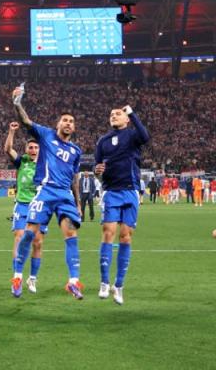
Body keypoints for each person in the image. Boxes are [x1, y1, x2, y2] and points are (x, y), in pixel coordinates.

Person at [12, 85, 85, 300]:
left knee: (71, 234)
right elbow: (26, 122)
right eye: (65, 120)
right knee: (29, 234)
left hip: (65, 195)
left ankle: (73, 282)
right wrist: (17, 103)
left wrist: (78, 203)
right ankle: (17, 277)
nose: (68, 123)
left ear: (74, 127)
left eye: (71, 121)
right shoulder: (46, 135)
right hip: (45, 192)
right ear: (58, 124)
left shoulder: (76, 151)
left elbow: (74, 177)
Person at [94, 105, 150, 305]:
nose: (113, 116)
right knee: (108, 231)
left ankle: (119, 286)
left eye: (117, 113)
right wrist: (96, 169)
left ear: (126, 119)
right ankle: (104, 282)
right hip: (111, 191)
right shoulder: (103, 141)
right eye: (111, 114)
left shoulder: (133, 135)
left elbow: (145, 137)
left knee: (125, 236)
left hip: (130, 191)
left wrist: (132, 113)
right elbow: (97, 166)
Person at [4, 123, 46, 295]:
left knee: (37, 243)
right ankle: (17, 278)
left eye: (36, 147)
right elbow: (8, 149)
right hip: (22, 204)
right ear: (26, 149)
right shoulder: (22, 161)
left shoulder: (46, 163)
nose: (33, 149)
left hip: (40, 206)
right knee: (20, 237)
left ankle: (32, 278)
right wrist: (12, 131)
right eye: (31, 147)